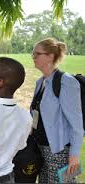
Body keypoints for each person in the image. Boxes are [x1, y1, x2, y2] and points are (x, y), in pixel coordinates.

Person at [30, 38, 83, 183]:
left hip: (60, 152)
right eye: (32, 54)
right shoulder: (40, 82)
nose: (33, 57)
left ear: (50, 56)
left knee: (67, 182)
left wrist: (74, 155)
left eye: (37, 54)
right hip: (42, 150)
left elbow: (77, 124)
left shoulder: (66, 82)